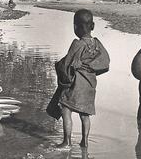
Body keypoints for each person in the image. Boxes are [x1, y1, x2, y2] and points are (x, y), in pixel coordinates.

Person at [46, 9, 110, 148]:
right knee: (84, 115)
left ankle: (67, 141)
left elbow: (66, 64)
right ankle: (85, 141)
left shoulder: (77, 44)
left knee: (65, 110)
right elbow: (105, 63)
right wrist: (88, 69)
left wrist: (60, 66)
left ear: (75, 27)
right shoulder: (97, 44)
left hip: (76, 86)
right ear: (92, 26)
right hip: (90, 86)